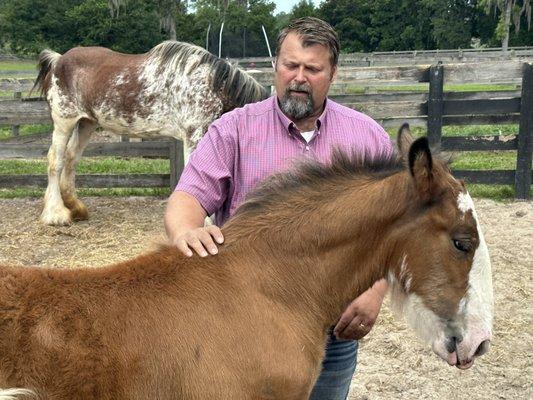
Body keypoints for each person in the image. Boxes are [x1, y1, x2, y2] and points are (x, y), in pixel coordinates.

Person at [164, 17, 392, 400]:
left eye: (312, 69)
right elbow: (187, 198)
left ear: (332, 75)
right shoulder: (233, 130)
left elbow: (393, 229)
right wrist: (187, 230)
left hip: (334, 329)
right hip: (244, 322)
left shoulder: (367, 138)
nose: (298, 77)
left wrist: (376, 290)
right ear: (276, 67)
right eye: (290, 65)